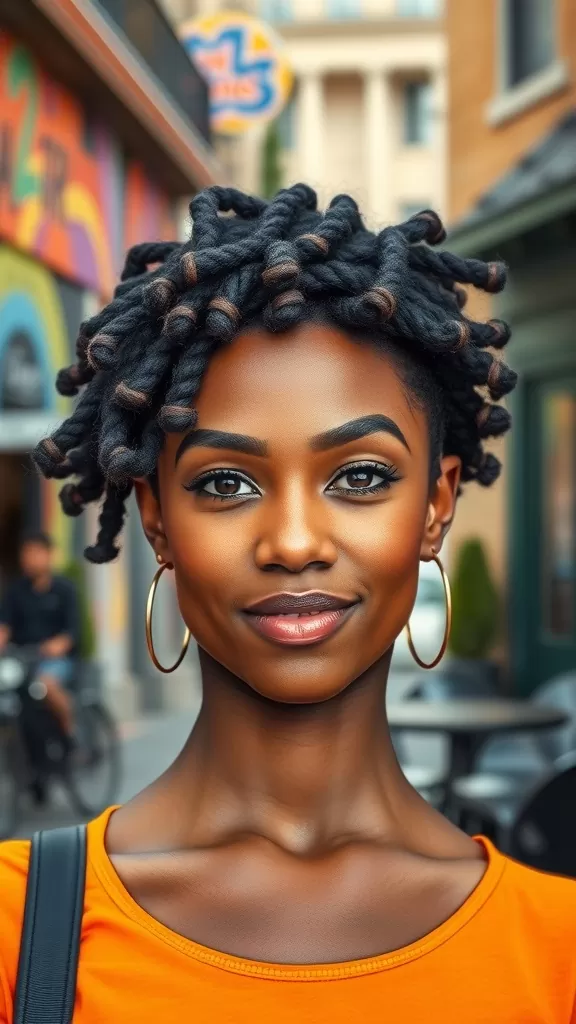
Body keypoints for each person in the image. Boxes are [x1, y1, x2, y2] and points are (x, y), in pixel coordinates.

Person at [0, 185, 575, 1023]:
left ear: (436, 504)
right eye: (226, 483)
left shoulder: (557, 950)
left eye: (362, 476)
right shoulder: (21, 930)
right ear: (156, 519)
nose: (295, 540)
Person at [0, 532, 79, 737]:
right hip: (22, 660)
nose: (29, 559)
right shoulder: (15, 591)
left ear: (48, 554)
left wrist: (56, 645)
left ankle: (72, 733)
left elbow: (72, 632)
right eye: (26, 554)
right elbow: (4, 627)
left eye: (35, 553)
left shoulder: (64, 589)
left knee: (46, 685)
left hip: (55, 661)